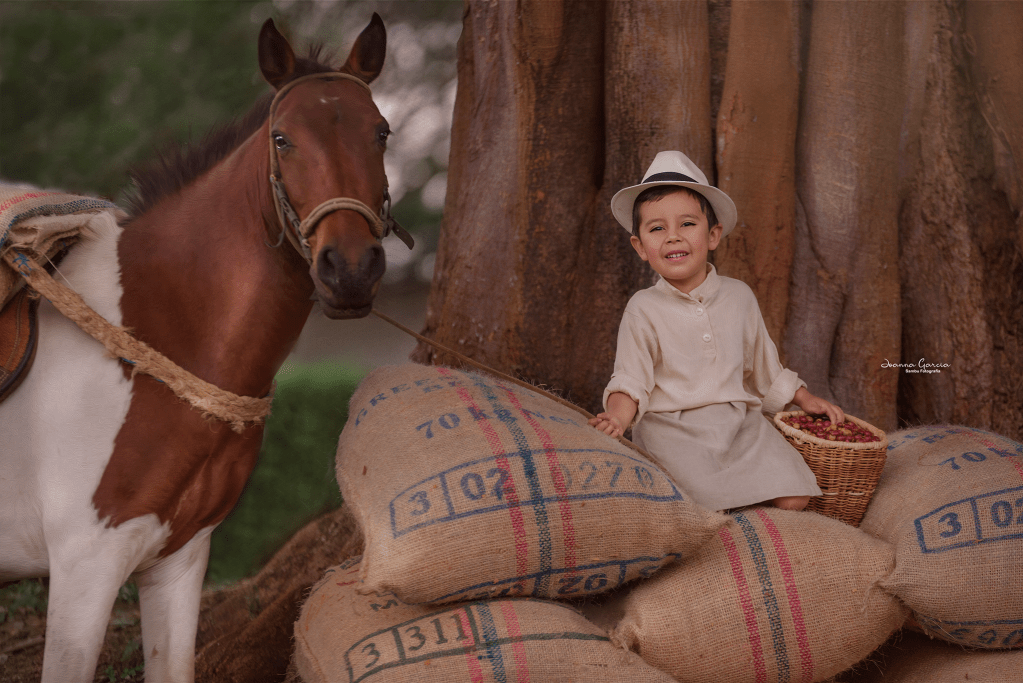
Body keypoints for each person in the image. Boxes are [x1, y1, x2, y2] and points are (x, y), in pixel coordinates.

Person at [589, 150, 844, 512]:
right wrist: (616, 418)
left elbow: (764, 367)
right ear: (640, 247)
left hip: (737, 424)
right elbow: (631, 380)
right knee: (699, 504)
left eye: (687, 225)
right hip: (673, 431)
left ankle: (751, 532)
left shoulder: (739, 296)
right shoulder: (643, 308)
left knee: (794, 496)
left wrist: (804, 399)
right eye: (657, 228)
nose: (673, 237)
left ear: (713, 235)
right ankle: (722, 538)